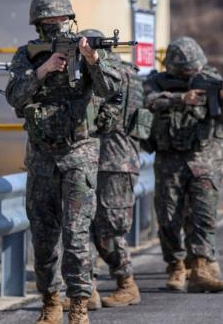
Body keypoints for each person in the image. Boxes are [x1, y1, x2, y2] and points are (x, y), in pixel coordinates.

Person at [5, 0, 122, 324]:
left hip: (79, 153)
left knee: (77, 235)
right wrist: (42, 70)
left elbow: (111, 89)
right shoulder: (27, 57)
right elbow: (14, 97)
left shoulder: (88, 51)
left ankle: (80, 304)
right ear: (38, 25)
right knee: (43, 237)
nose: (57, 27)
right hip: (42, 156)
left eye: (62, 20)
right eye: (49, 22)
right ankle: (50, 301)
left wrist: (92, 61)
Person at [144, 36, 223, 293]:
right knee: (168, 216)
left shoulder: (212, 79)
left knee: (204, 214)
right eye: (186, 71)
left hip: (203, 157)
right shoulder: (156, 82)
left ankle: (200, 268)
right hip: (169, 159)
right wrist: (180, 99)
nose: (192, 73)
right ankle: (175, 265)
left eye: (194, 69)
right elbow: (148, 101)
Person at [80, 29, 145, 308]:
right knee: (83, 227)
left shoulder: (117, 75)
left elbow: (100, 117)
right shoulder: (123, 71)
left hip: (114, 161)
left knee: (108, 230)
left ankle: (126, 283)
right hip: (100, 160)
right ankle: (88, 288)